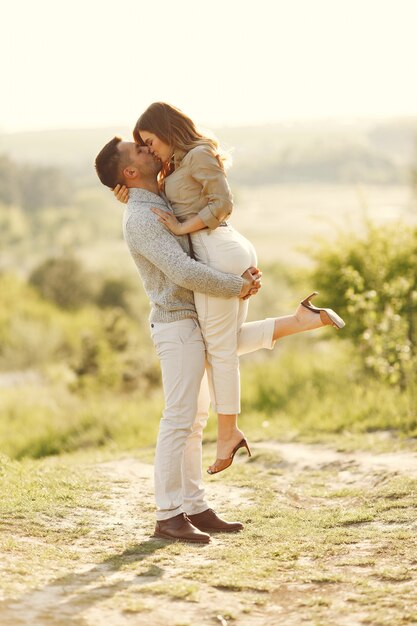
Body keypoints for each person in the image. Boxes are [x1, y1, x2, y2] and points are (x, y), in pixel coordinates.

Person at [95, 136, 344, 543]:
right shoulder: (142, 217)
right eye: (140, 151)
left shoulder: (154, 200)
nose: (149, 150)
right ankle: (167, 516)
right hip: (176, 325)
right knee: (178, 420)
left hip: (191, 319)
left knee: (193, 422)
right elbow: (182, 270)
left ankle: (194, 506)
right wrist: (235, 286)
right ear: (129, 172)